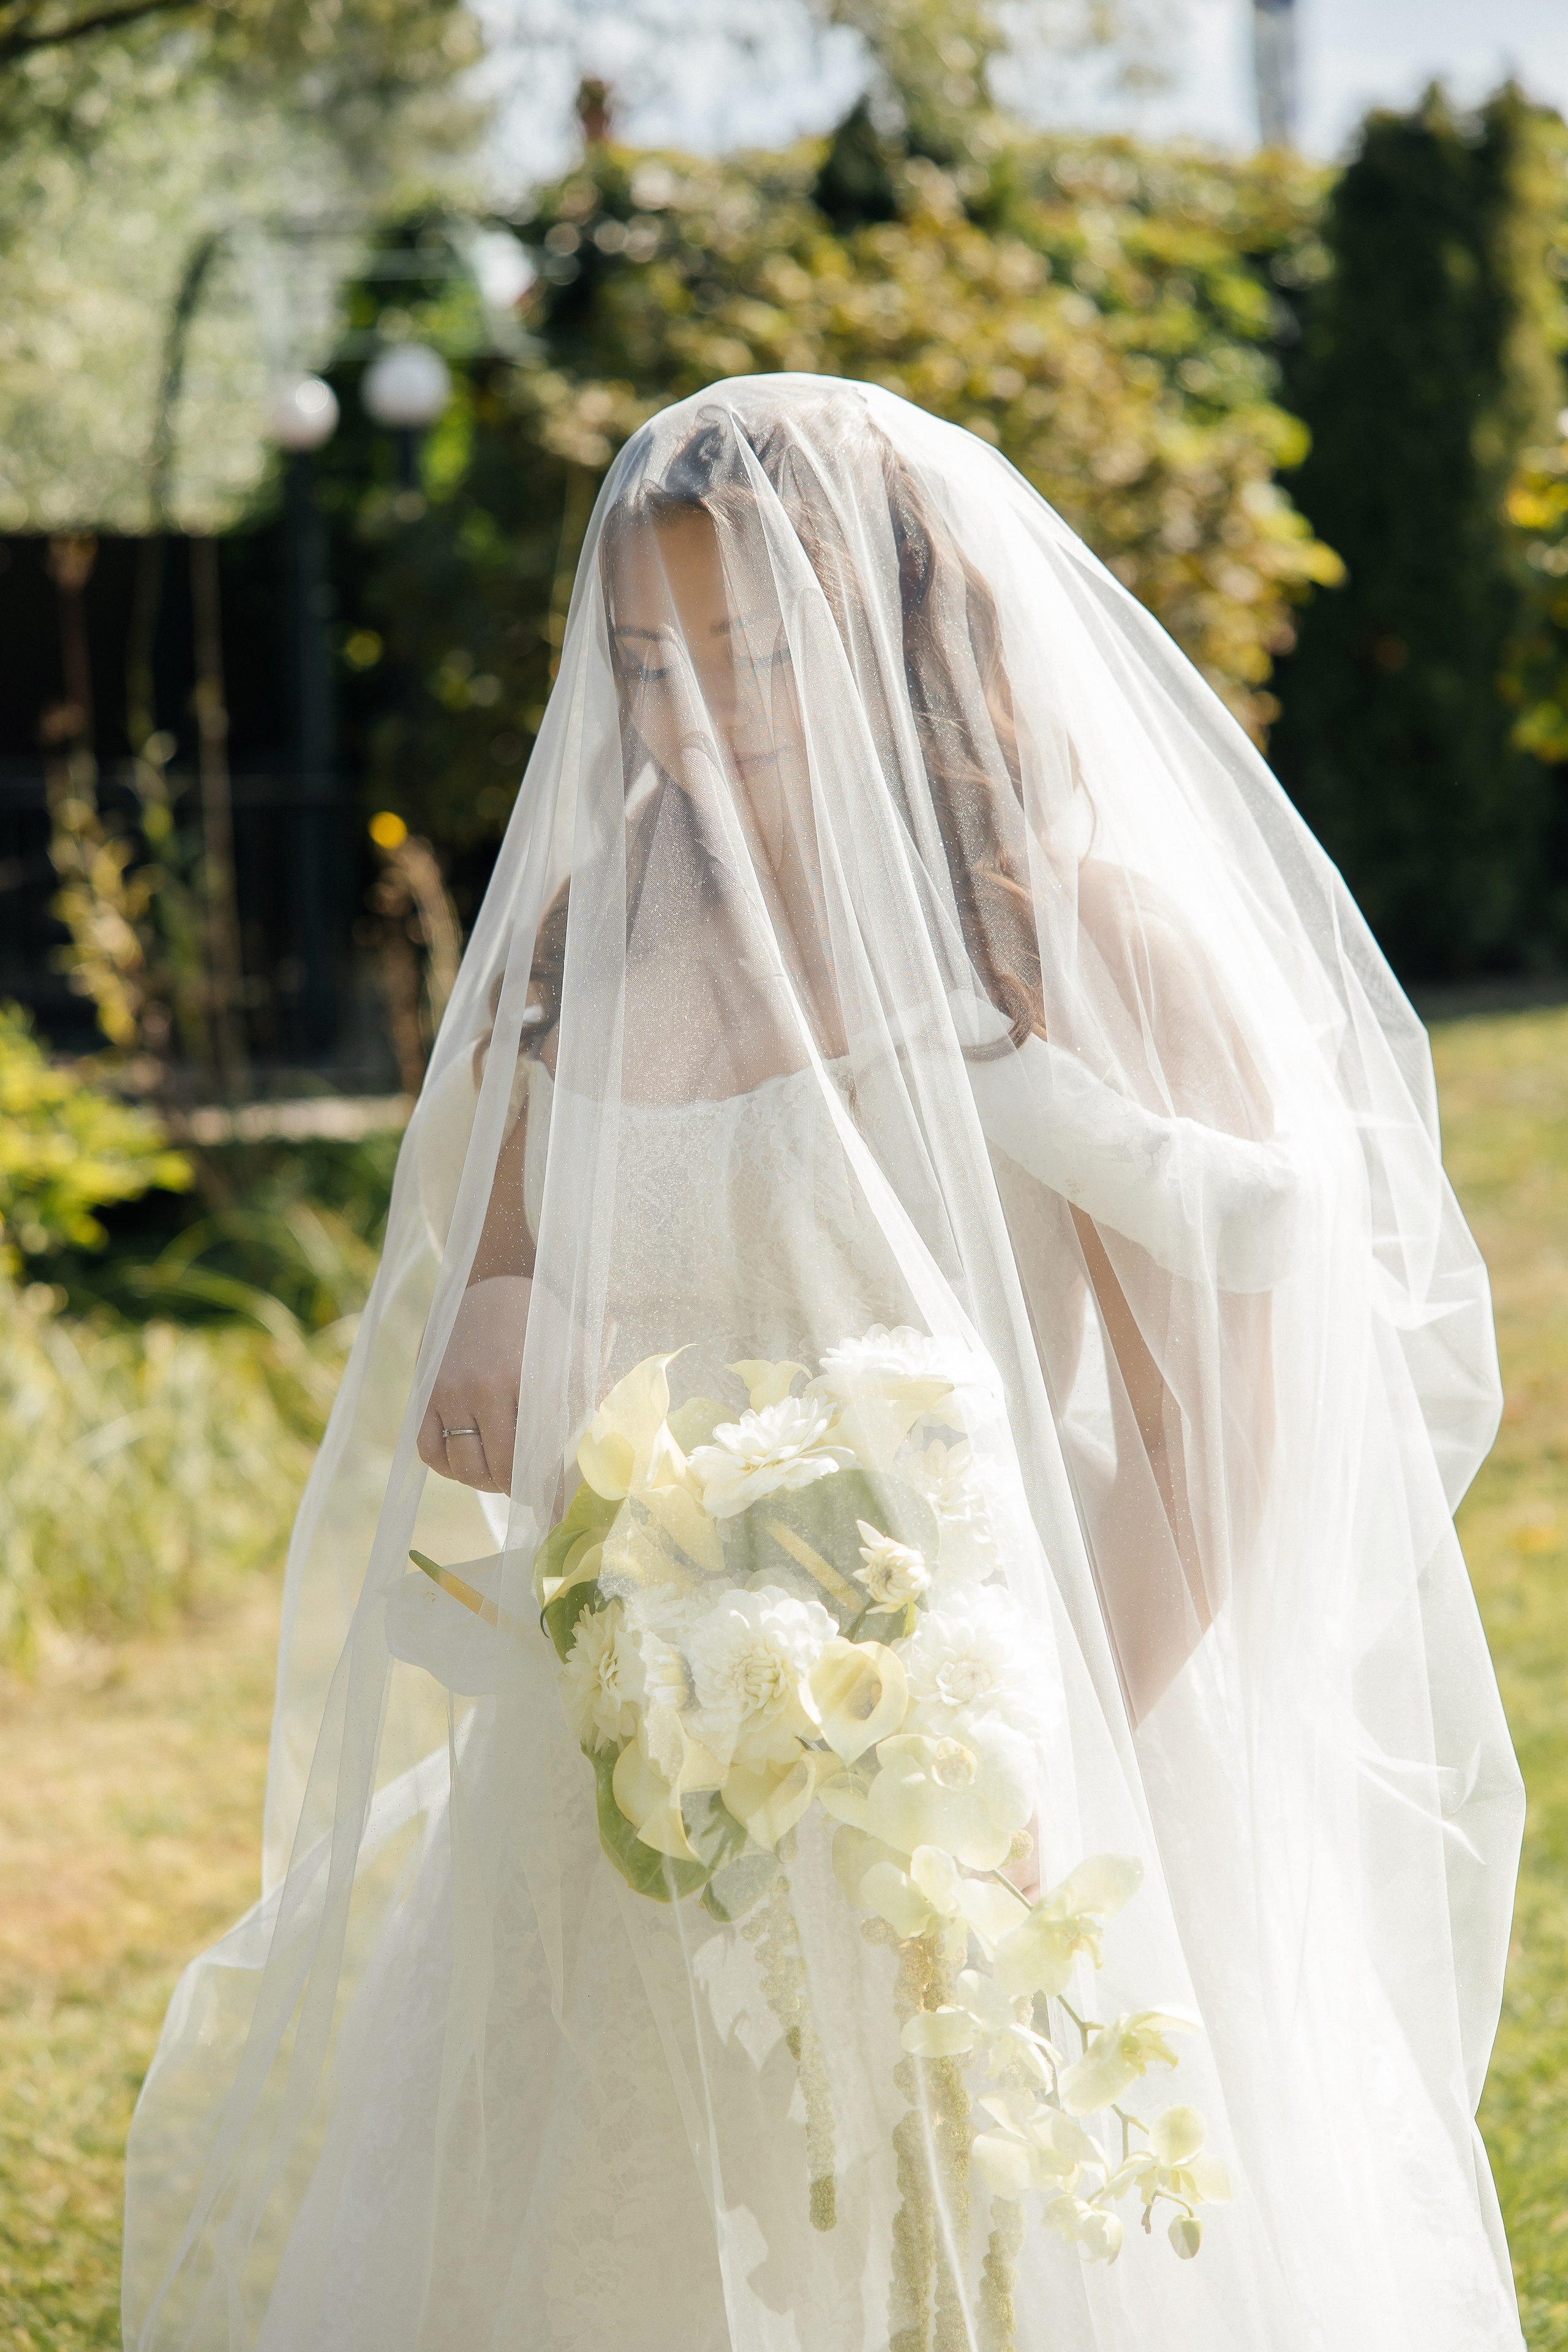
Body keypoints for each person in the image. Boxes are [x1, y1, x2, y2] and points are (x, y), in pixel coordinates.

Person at [124, 377, 1525, 2352]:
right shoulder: (587, 946)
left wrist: (1037, 1779)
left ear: (898, 633)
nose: (684, 717)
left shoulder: (1074, 949)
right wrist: (505, 1326)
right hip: (627, 1774)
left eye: (750, 658)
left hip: (1000, 1747)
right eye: (640, 664)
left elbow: (1220, 1430)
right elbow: (511, 1259)